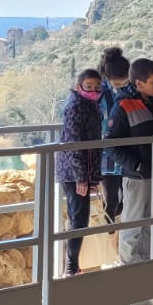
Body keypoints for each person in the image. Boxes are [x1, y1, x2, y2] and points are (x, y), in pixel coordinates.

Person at [104, 58, 153, 264]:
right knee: (133, 225)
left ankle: (150, 265)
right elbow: (110, 144)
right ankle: (129, 268)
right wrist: (136, 165)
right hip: (137, 177)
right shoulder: (123, 106)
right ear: (139, 83)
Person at [54, 68, 103, 277]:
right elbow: (73, 145)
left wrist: (92, 176)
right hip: (73, 171)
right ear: (79, 86)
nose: (93, 91)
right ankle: (71, 268)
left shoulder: (91, 105)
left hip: (82, 170)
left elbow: (93, 144)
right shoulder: (75, 106)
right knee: (78, 218)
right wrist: (81, 177)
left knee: (80, 217)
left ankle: (73, 266)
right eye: (89, 87)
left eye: (97, 87)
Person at [96, 46, 131, 225]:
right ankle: (109, 235)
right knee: (110, 203)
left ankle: (120, 234)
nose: (122, 87)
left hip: (126, 155)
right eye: (118, 84)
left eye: (125, 83)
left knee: (126, 201)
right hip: (106, 156)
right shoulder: (99, 94)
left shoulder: (131, 90)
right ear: (108, 78)